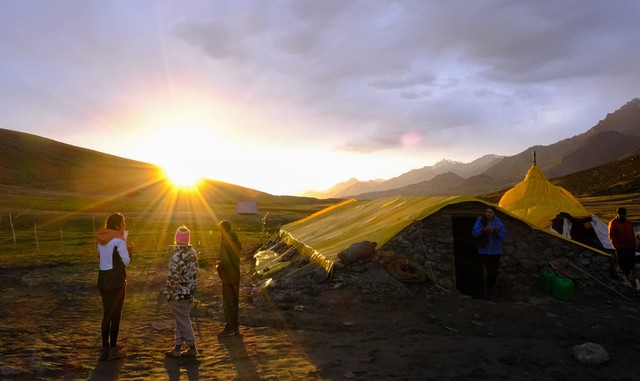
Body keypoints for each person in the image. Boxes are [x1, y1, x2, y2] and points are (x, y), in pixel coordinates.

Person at [97, 212, 133, 361]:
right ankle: (113, 348)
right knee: (116, 314)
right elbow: (126, 262)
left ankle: (105, 348)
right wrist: (129, 250)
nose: (125, 225)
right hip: (117, 282)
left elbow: (102, 256)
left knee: (107, 313)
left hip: (103, 280)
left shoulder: (102, 238)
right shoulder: (119, 240)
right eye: (123, 223)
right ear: (118, 225)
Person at [163, 225, 199, 358]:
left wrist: (167, 293)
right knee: (181, 321)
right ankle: (177, 349)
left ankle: (192, 347)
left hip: (178, 294)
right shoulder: (192, 253)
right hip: (189, 292)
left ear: (176, 239)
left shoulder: (177, 256)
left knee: (183, 322)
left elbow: (173, 277)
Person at [471, 206, 507, 300]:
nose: (488, 213)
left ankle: (491, 292)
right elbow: (474, 233)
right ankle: (484, 293)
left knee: (493, 272)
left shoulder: (498, 222)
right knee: (489, 271)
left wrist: (497, 231)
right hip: (484, 251)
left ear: (494, 213)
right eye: (487, 211)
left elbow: (503, 235)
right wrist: (483, 230)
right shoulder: (480, 220)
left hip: (495, 251)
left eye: (490, 212)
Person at [217, 220, 241, 337]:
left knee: (228, 302)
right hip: (236, 274)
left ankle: (229, 327)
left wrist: (219, 265)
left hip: (227, 276)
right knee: (235, 300)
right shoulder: (237, 240)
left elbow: (225, 260)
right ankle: (235, 327)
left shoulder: (224, 242)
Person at [608, 207, 637, 282]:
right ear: (617, 214)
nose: (622, 216)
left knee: (630, 264)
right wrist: (617, 248)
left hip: (630, 248)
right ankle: (623, 280)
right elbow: (612, 237)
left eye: (624, 215)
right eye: (621, 214)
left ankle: (628, 278)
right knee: (622, 265)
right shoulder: (613, 223)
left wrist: (634, 245)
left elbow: (632, 234)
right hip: (621, 249)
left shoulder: (628, 222)